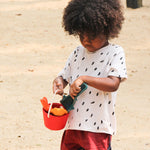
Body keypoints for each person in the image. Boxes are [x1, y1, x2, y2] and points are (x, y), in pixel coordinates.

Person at [52, 0, 127, 149]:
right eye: (81, 35)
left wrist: (84, 79)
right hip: (73, 124)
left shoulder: (115, 53)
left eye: (92, 35)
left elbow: (113, 84)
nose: (86, 40)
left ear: (106, 29)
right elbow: (63, 76)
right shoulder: (77, 52)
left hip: (97, 127)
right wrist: (59, 83)